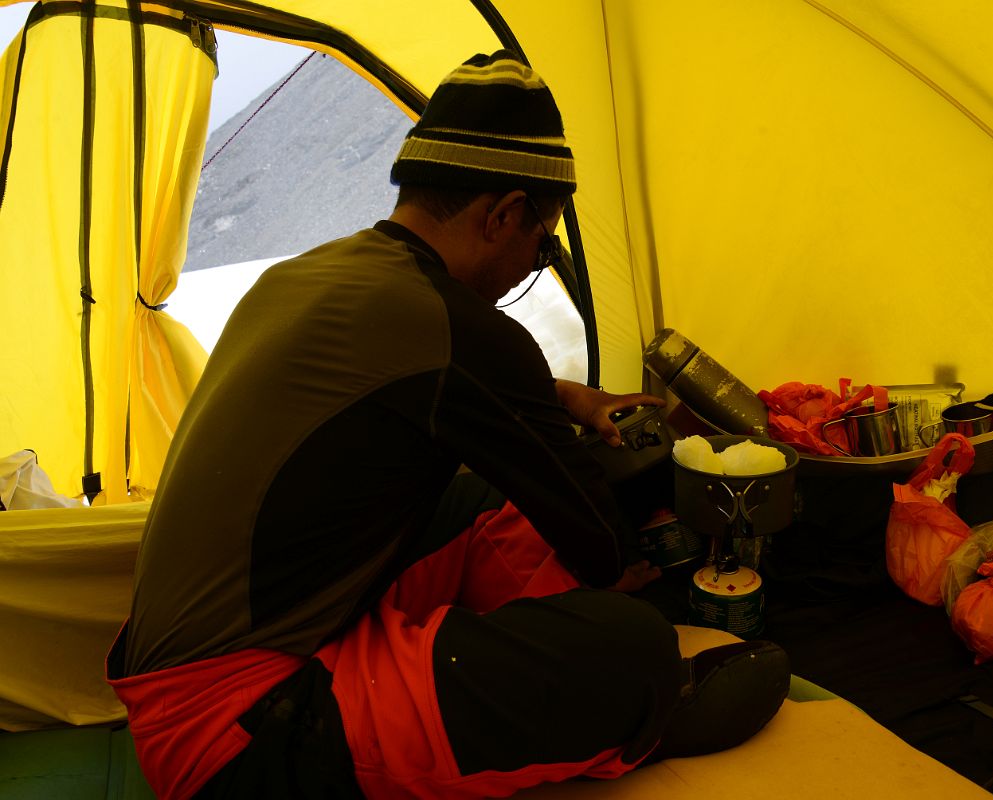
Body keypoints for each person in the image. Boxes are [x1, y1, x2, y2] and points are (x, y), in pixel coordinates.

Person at [106, 50, 789, 799]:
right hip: (242, 734)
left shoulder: (316, 273)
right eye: (541, 243)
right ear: (502, 215)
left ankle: (493, 660)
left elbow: (405, 384)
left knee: (489, 500)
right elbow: (600, 549)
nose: (533, 262)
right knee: (633, 645)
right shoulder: (458, 327)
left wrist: (565, 399)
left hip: (193, 672)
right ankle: (637, 708)